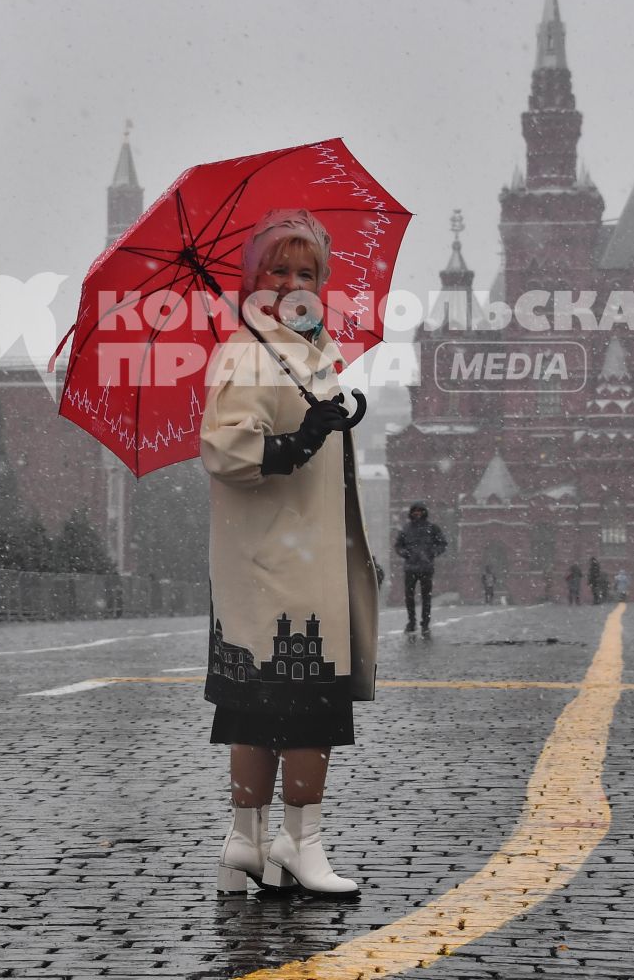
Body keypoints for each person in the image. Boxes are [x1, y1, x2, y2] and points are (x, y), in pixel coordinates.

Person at [200, 208, 377, 899]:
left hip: (285, 556)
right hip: (285, 563)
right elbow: (224, 446)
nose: (296, 282)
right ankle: (301, 843)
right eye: (281, 270)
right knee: (307, 705)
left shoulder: (303, 351)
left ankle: (246, 842)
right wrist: (299, 441)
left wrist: (332, 414)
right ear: (256, 279)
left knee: (256, 705)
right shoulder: (250, 350)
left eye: (310, 272)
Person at [391, 503, 445, 635]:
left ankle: (425, 624)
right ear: (411, 513)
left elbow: (442, 544)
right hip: (410, 567)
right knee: (409, 597)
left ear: (424, 512)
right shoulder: (406, 529)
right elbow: (398, 546)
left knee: (426, 597)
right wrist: (405, 553)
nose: (417, 513)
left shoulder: (432, 528)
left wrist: (432, 553)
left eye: (420, 511)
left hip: (426, 567)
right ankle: (412, 622)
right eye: (415, 511)